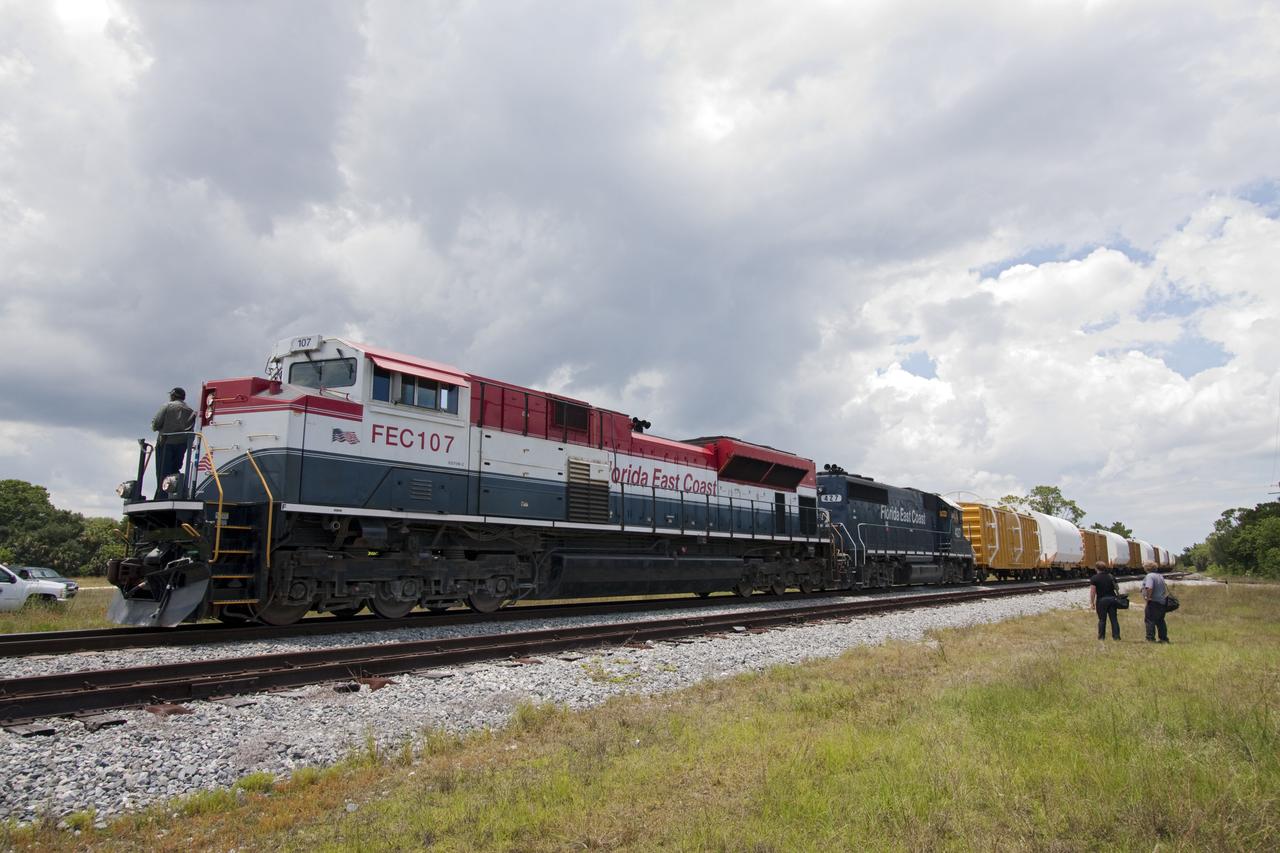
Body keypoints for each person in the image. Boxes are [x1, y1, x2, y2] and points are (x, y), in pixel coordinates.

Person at [151, 387, 196, 497]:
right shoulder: (190, 411)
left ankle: (161, 495)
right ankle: (174, 492)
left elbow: (156, 424)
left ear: (173, 395)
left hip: (165, 443)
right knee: (175, 470)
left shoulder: (167, 406)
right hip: (182, 445)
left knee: (162, 472)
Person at [1088, 560, 1121, 641]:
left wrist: (1092, 602)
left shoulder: (1094, 578)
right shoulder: (1111, 576)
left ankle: (1101, 637)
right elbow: (1117, 588)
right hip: (1112, 599)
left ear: (1096, 568)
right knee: (1114, 619)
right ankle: (1116, 637)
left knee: (1102, 619)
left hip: (1101, 600)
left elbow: (1093, 592)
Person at [1142, 568, 1170, 643]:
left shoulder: (1150, 576)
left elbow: (1149, 587)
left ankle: (1150, 638)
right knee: (1160, 620)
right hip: (1162, 601)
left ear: (1147, 568)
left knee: (1149, 620)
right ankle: (1164, 638)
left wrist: (1148, 598)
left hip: (1153, 601)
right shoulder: (1160, 576)